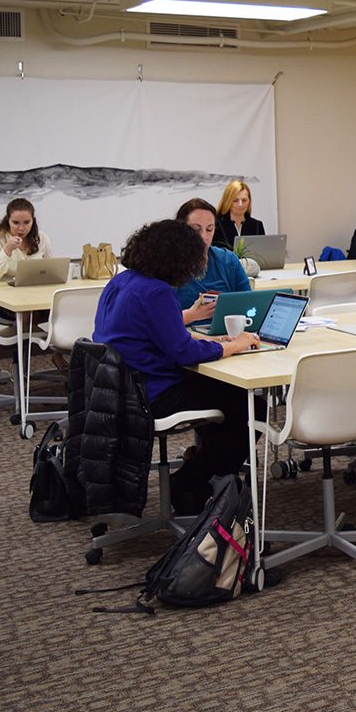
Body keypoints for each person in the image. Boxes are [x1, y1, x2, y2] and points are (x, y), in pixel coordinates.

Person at [93, 219, 262, 515]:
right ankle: (191, 481)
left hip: (121, 389)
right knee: (250, 407)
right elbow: (184, 352)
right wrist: (234, 345)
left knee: (227, 401)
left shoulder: (122, 281)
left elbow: (158, 332)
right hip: (151, 395)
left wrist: (215, 340)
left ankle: (200, 472)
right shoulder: (157, 292)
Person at [172, 198, 252, 324]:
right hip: (183, 338)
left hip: (226, 337)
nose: (204, 236)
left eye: (209, 229)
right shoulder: (167, 265)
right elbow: (157, 321)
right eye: (196, 229)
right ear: (180, 230)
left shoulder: (228, 261)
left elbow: (250, 304)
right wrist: (190, 315)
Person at [0, 198, 54, 320]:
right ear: (8, 221)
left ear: (33, 221)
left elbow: (52, 269)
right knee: (25, 312)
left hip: (35, 295)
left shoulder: (41, 237)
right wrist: (7, 250)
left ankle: (34, 337)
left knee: (63, 305)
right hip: (2, 299)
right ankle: (27, 338)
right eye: (16, 223)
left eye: (26, 222)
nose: (21, 228)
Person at [213, 179, 265, 250]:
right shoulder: (215, 225)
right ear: (227, 201)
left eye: (244, 200)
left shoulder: (257, 226)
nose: (240, 204)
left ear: (249, 201)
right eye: (235, 200)